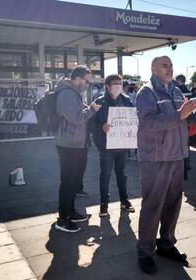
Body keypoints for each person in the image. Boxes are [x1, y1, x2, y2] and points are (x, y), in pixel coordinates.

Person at [135, 56, 196, 274]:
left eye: (171, 65)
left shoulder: (175, 91)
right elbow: (148, 124)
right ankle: (145, 252)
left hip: (177, 155)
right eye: (165, 65)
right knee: (152, 205)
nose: (169, 68)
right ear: (153, 69)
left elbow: (185, 120)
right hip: (156, 158)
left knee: (173, 204)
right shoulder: (146, 92)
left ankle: (166, 244)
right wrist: (178, 114)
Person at [54, 65, 102, 233]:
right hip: (68, 144)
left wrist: (88, 109)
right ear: (78, 78)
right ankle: (62, 218)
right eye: (86, 81)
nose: (87, 84)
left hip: (76, 143)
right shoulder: (67, 94)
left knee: (74, 181)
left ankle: (70, 211)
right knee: (68, 181)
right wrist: (91, 110)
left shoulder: (73, 93)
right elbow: (76, 118)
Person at [91, 74, 135, 218]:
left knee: (122, 175)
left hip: (122, 145)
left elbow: (134, 118)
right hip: (106, 147)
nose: (118, 86)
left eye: (120, 83)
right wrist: (101, 127)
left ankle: (124, 201)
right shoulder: (100, 101)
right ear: (108, 86)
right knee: (105, 175)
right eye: (115, 83)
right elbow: (90, 123)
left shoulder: (127, 100)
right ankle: (104, 204)